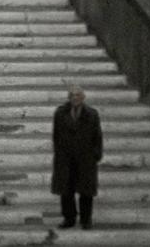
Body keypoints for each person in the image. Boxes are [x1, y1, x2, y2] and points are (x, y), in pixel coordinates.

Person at [51, 85, 103, 230]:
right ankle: (69, 218)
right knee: (66, 190)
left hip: (86, 158)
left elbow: (97, 136)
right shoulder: (60, 113)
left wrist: (96, 155)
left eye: (78, 95)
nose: (75, 98)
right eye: (72, 95)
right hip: (66, 158)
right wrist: (59, 154)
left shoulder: (92, 114)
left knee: (86, 191)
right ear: (69, 97)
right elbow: (56, 135)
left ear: (83, 97)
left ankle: (86, 219)